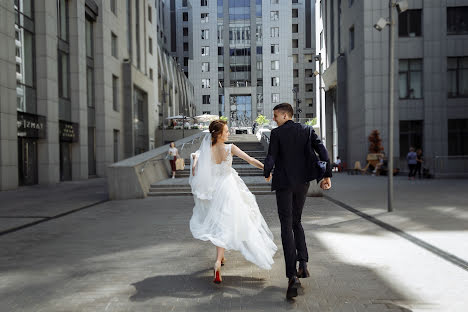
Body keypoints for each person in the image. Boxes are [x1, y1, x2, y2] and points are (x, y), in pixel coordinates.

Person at [189, 120, 277, 284]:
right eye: (226, 131)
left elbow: (198, 169)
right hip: (229, 189)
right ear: (219, 133)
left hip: (214, 191)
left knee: (221, 224)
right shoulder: (230, 148)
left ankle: (219, 260)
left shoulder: (207, 151)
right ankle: (217, 261)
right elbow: (250, 160)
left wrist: (195, 163)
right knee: (234, 223)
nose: (228, 133)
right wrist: (266, 169)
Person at [264, 103, 332, 300]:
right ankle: (303, 263)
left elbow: (271, 157)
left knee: (286, 226)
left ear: (286, 115)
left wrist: (267, 172)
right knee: (297, 222)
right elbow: (323, 152)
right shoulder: (307, 130)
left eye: (276, 115)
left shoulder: (276, 134)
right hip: (302, 183)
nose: (274, 119)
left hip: (284, 184)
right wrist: (326, 175)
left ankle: (292, 276)